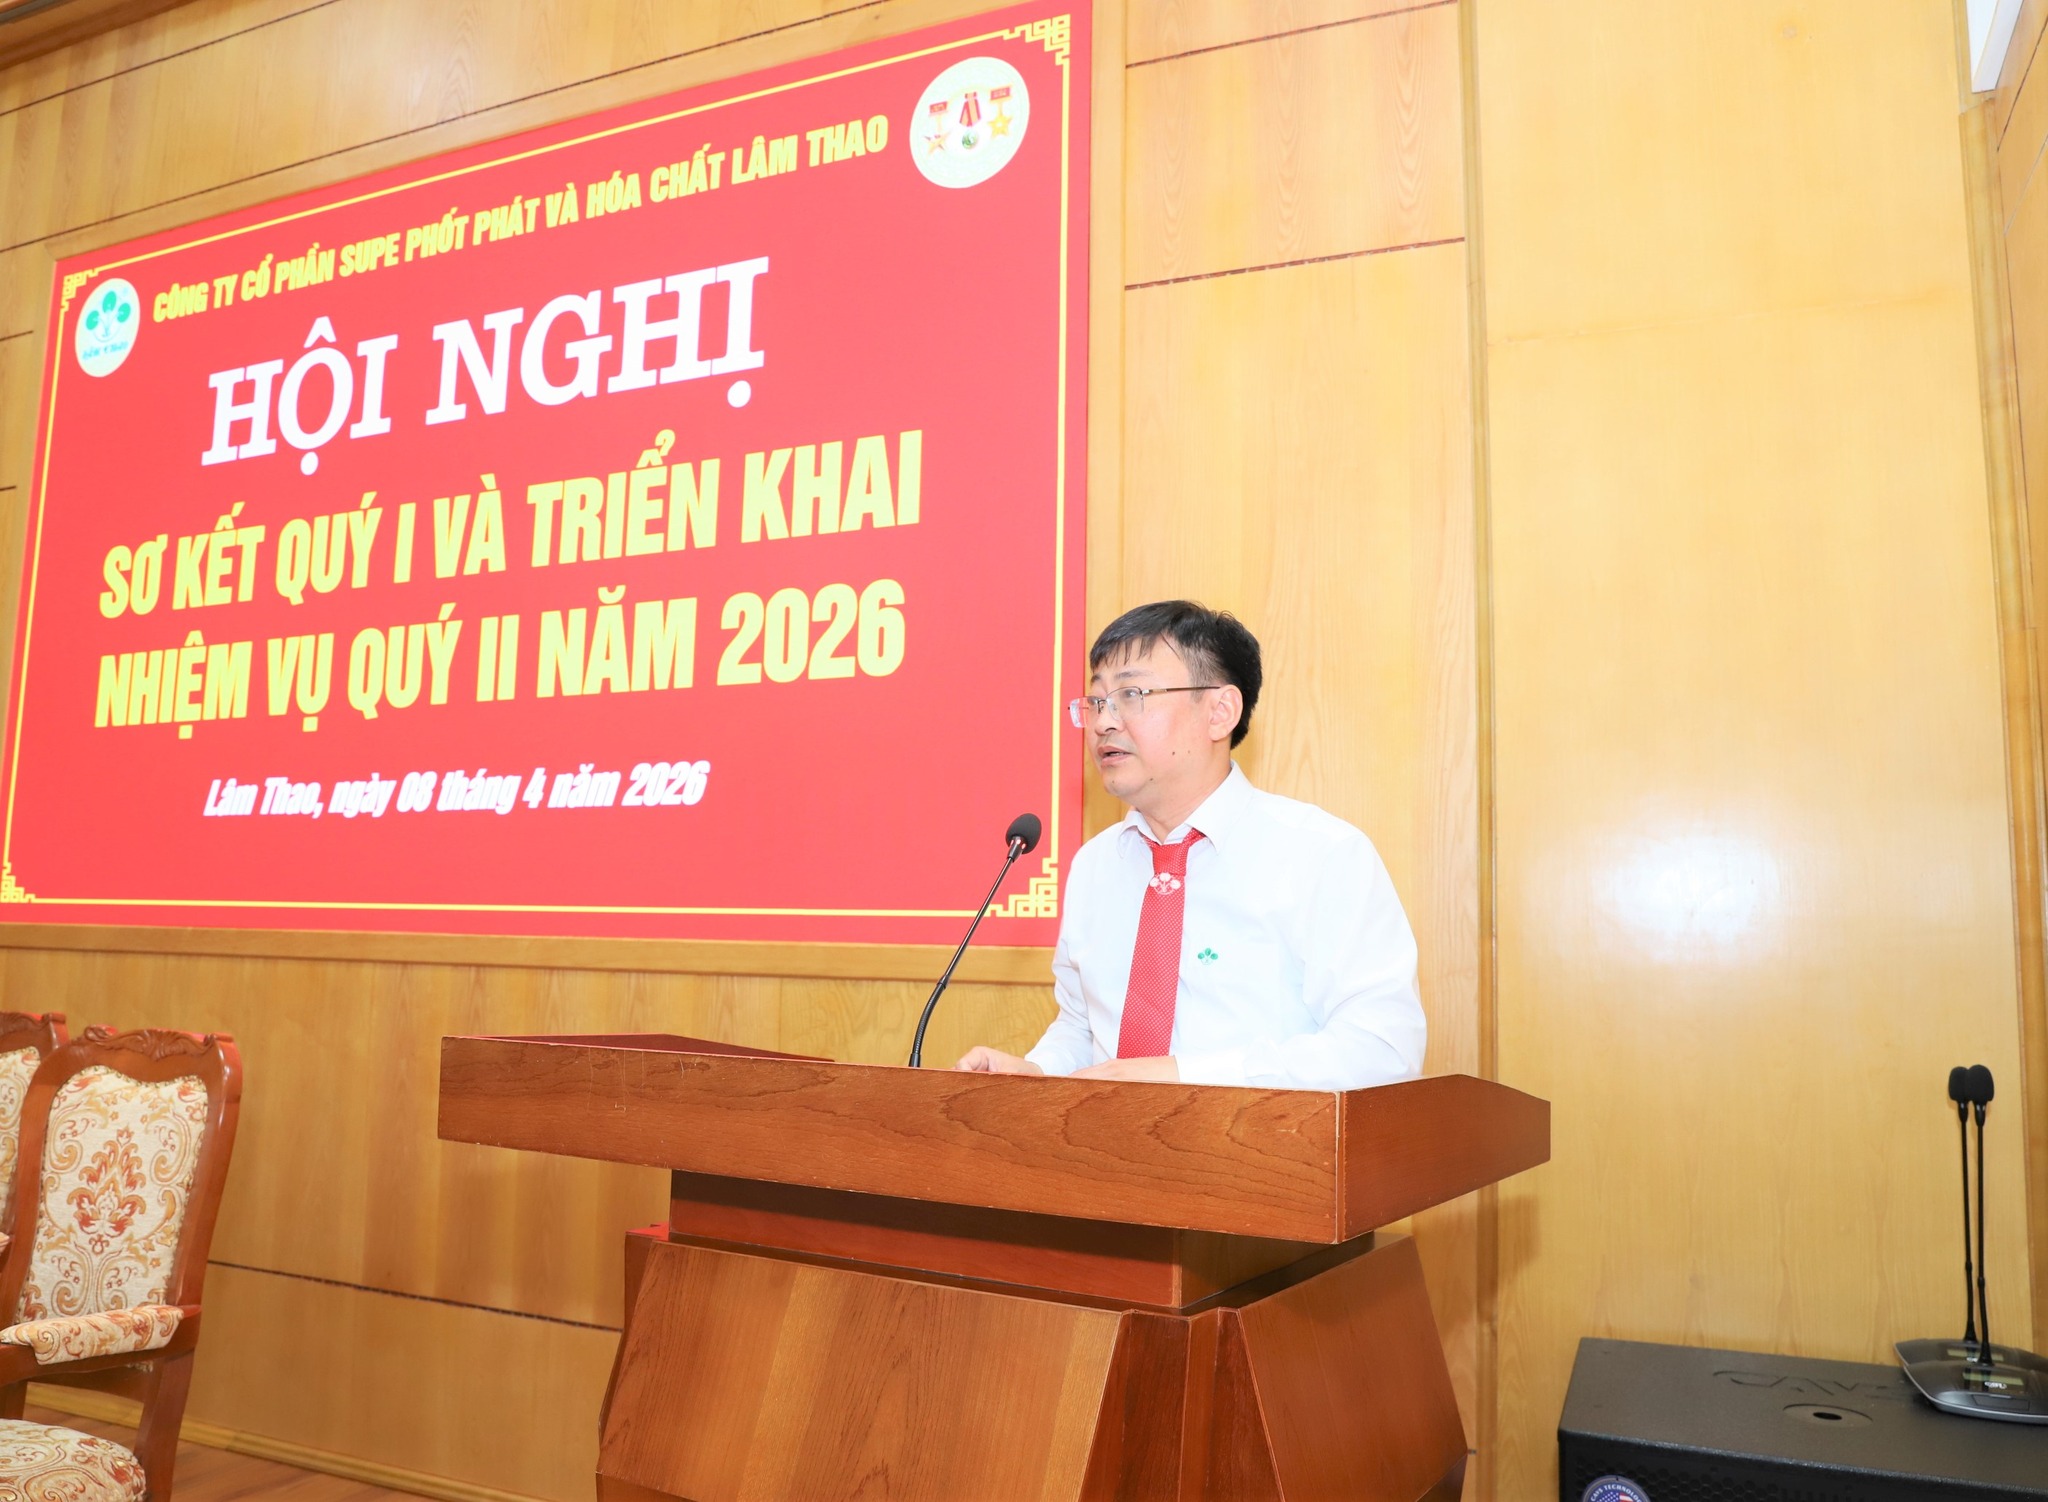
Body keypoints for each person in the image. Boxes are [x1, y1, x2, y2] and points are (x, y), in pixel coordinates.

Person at [957, 600, 1426, 1089]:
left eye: (1131, 695)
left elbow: (1383, 1049)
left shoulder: (1323, 855)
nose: (1103, 723)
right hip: (1105, 1138)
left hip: (1265, 1137)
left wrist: (1184, 1076)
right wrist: (1037, 1071)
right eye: (1096, 702)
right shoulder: (1095, 863)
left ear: (1220, 712)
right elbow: (1082, 1028)